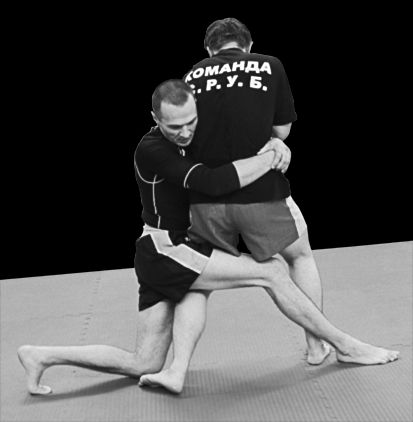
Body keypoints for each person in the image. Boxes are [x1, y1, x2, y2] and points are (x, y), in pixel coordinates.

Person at [17, 80, 398, 397]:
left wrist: (276, 140)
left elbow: (235, 141)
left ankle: (42, 355)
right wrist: (271, 157)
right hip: (168, 249)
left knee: (144, 361)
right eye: (174, 126)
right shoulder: (151, 149)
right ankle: (346, 345)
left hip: (165, 253)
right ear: (155, 119)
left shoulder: (194, 136)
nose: (184, 132)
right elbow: (211, 182)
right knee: (272, 272)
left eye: (190, 122)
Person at [183, 17, 328, 365]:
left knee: (198, 281)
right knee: (300, 257)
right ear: (248, 45)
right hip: (262, 194)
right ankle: (316, 347)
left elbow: (183, 138)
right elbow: (282, 130)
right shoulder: (270, 65)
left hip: (204, 201)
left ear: (209, 49)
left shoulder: (191, 76)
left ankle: (178, 366)